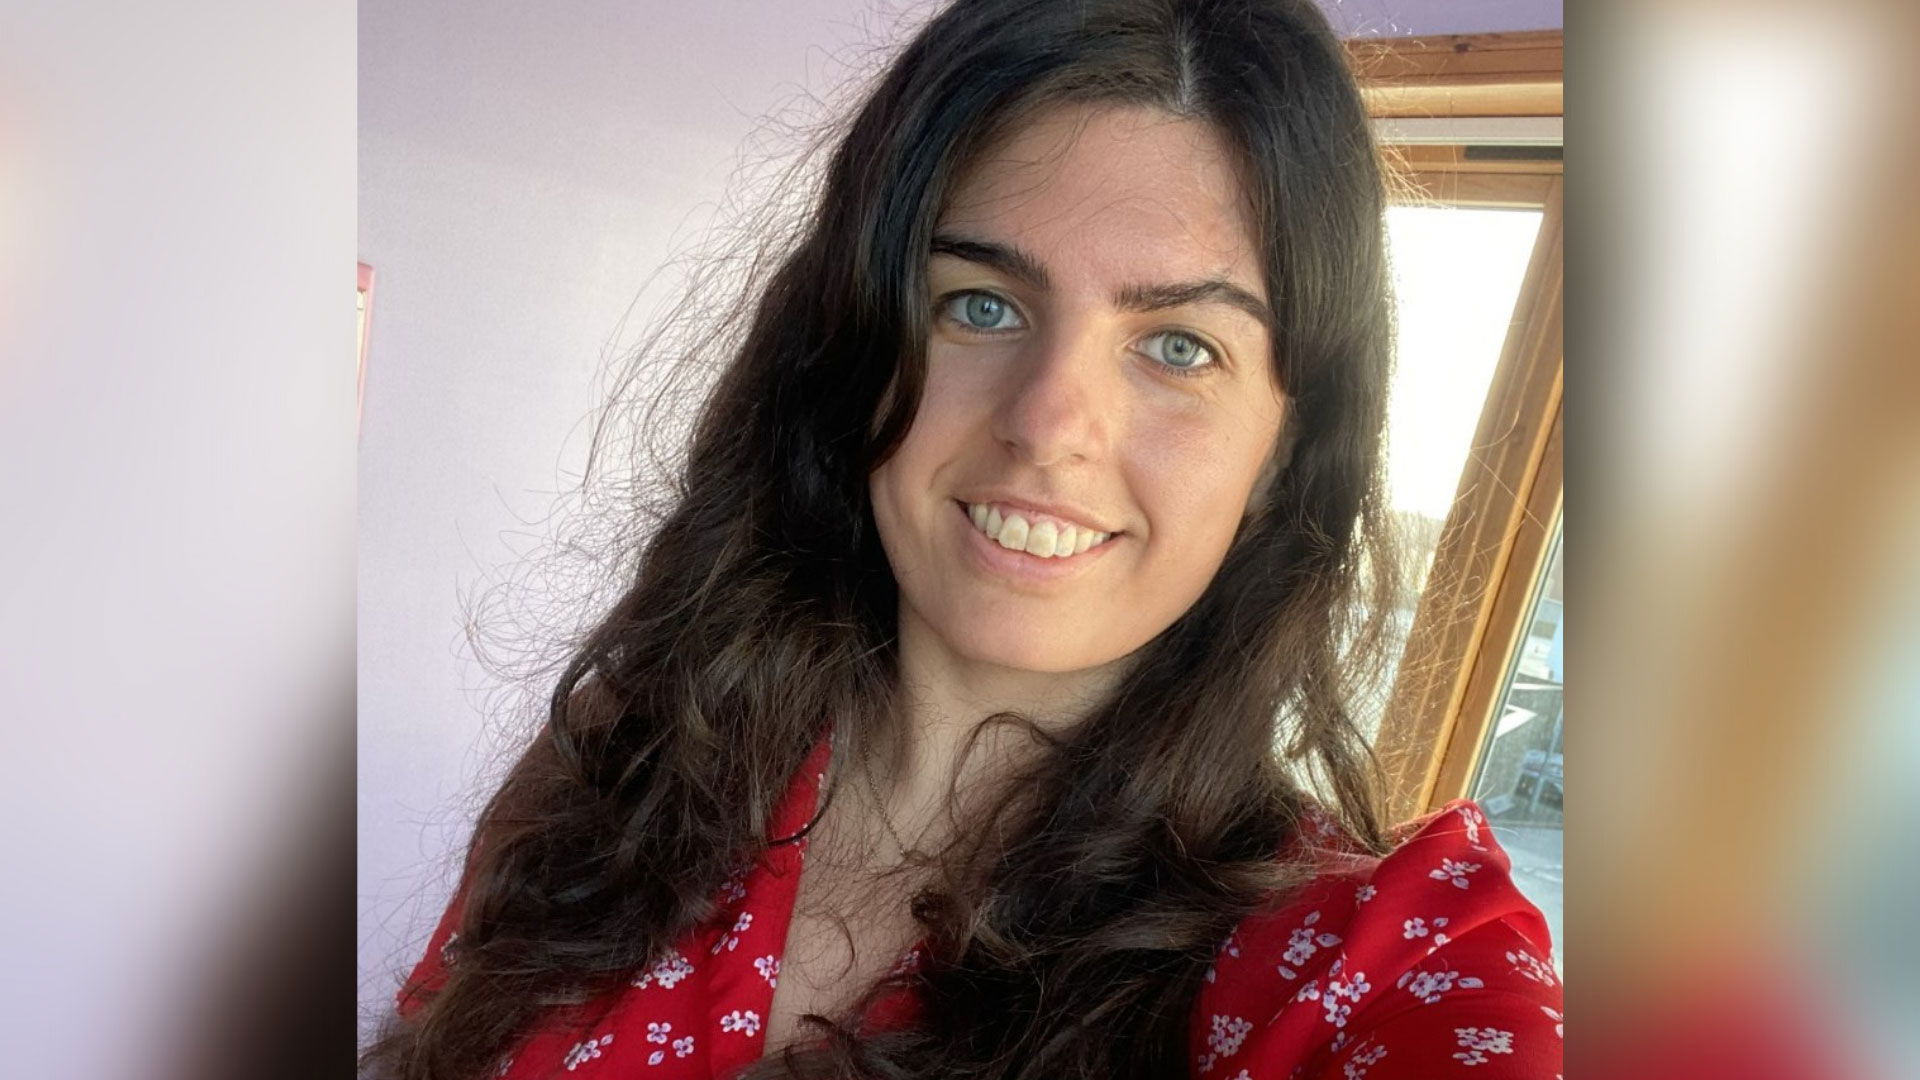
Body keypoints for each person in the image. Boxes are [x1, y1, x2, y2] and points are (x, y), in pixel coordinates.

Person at [361, 0, 1563, 1077]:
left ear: (1286, 454)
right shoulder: (618, 761)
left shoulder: (1368, 968)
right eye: (980, 305)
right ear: (856, 348)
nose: (1048, 425)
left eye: (1181, 347)